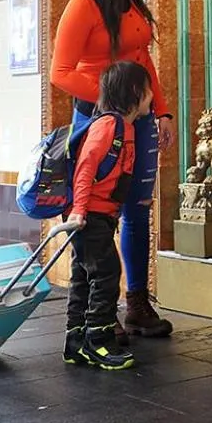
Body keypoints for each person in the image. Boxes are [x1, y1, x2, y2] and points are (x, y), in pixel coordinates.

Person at [50, 0, 175, 339]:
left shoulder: (130, 1)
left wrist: (161, 109)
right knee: (98, 213)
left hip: (140, 118)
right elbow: (60, 73)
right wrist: (114, 101)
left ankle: (137, 303)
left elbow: (142, 60)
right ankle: (99, 312)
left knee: (138, 208)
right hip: (98, 120)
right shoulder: (82, 6)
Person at [64, 60, 152, 371]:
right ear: (135, 92)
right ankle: (98, 341)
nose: (152, 96)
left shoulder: (125, 127)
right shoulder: (108, 126)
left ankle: (75, 341)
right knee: (106, 275)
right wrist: (79, 211)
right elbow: (85, 168)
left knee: (83, 278)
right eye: (148, 90)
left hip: (99, 215)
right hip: (88, 216)